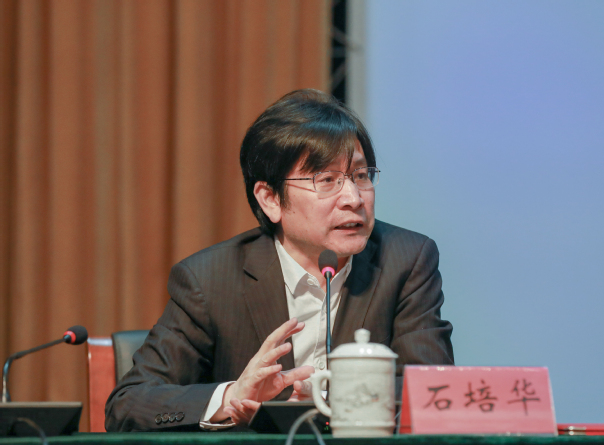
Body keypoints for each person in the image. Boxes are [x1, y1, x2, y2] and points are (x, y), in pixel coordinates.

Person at [105, 89, 454, 432]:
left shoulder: (406, 260)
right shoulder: (210, 279)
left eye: (361, 176)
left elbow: (434, 393)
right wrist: (232, 397)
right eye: (327, 180)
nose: (353, 198)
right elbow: (128, 405)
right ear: (270, 199)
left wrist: (338, 398)